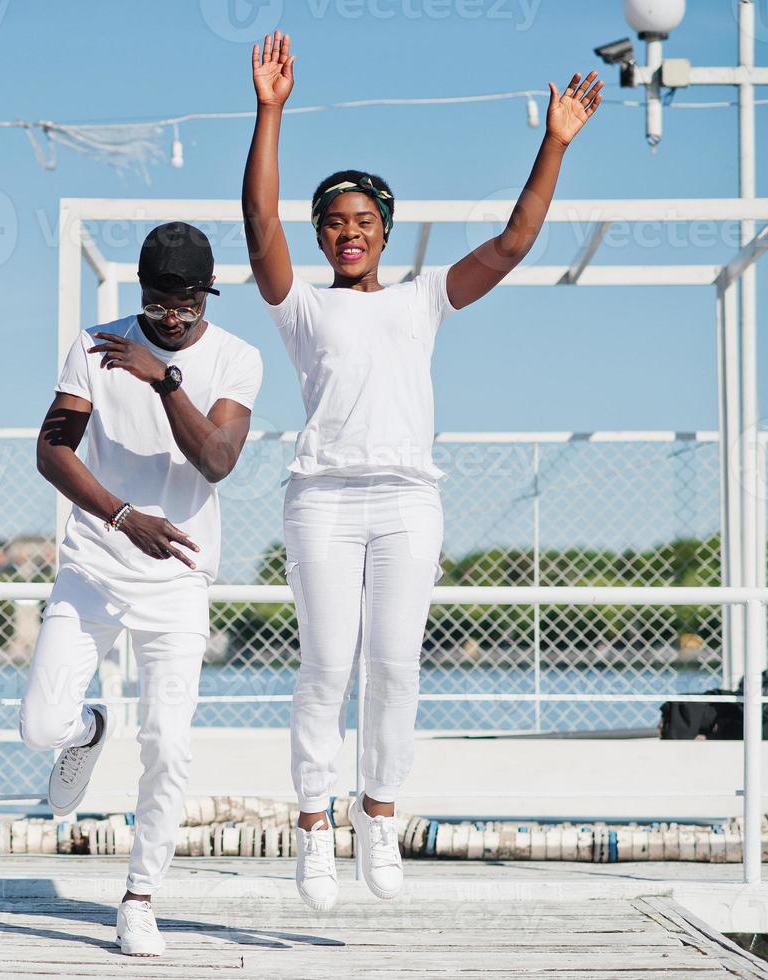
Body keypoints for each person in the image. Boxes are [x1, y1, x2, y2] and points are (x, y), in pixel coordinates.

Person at [240, 31, 602, 910]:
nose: (349, 232)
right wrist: (269, 112)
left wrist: (551, 142)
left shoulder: (424, 297)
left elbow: (513, 243)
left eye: (364, 221)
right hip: (322, 497)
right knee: (328, 663)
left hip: (407, 499)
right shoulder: (299, 307)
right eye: (335, 222)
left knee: (394, 666)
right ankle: (313, 826)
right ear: (321, 235)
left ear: (385, 232)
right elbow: (257, 227)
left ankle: (378, 814)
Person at [19, 222, 263, 957]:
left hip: (178, 577)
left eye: (183, 301)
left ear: (205, 294)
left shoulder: (235, 358)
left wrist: (164, 381)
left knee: (168, 743)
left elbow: (216, 460)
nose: (168, 315)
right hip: (95, 560)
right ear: (142, 291)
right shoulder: (96, 345)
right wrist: (122, 517)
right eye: (157, 299)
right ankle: (88, 731)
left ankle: (138, 897)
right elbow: (50, 449)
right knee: (37, 726)